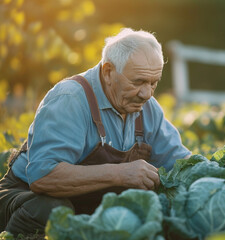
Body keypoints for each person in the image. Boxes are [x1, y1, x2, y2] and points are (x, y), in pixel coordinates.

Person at [0, 28, 191, 235]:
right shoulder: (70, 99)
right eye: (138, 82)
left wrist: (220, 175)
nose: (146, 93)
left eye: (154, 83)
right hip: (24, 196)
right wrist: (120, 173)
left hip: (84, 204)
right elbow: (42, 177)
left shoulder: (147, 108)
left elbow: (181, 162)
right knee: (52, 211)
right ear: (108, 72)